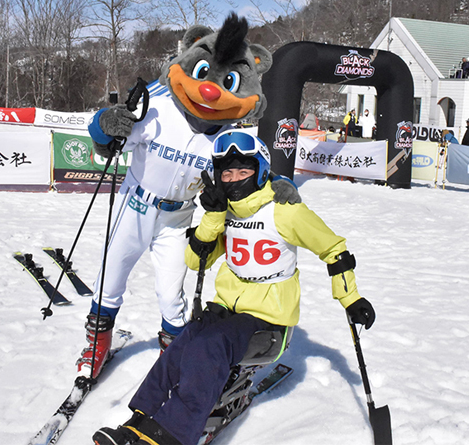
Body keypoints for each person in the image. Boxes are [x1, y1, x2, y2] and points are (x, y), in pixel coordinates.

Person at [92, 131, 375, 445]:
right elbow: (195, 259)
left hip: (268, 323)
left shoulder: (285, 210)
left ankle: (172, 434)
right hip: (226, 310)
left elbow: (334, 250)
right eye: (227, 172)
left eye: (244, 171)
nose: (235, 178)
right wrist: (213, 217)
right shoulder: (223, 212)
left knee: (208, 346)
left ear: (261, 171)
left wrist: (351, 298)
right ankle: (139, 420)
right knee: (182, 343)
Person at [79, 14, 300, 380]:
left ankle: (178, 357)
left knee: (172, 296)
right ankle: (96, 346)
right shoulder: (157, 106)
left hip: (178, 218)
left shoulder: (228, 133)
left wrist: (277, 185)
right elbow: (105, 138)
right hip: (135, 205)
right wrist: (105, 123)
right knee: (110, 278)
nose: (212, 89)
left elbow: (253, 172)